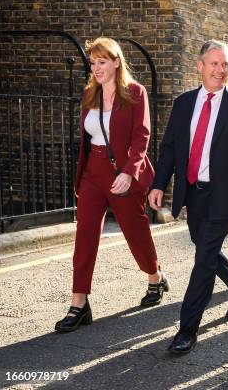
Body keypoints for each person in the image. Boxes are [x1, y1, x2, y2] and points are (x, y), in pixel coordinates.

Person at [148, 39, 228, 354]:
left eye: (225, 64)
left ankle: (187, 330)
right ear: (200, 66)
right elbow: (171, 147)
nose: (220, 69)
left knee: (203, 261)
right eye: (214, 63)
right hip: (194, 193)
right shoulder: (184, 103)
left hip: (224, 195)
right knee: (205, 248)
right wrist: (159, 183)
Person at [55, 37, 166, 333]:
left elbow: (142, 136)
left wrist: (129, 172)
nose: (96, 68)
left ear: (116, 62)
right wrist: (84, 174)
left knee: (135, 231)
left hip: (122, 172)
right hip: (93, 172)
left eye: (102, 62)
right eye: (93, 62)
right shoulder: (89, 93)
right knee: (85, 236)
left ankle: (154, 277)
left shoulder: (134, 92)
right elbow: (89, 138)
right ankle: (79, 303)